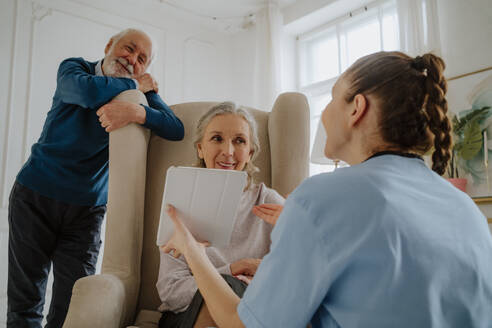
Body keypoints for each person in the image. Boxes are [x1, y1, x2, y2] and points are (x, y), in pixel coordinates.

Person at [161, 51, 492, 327]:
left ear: (356, 108)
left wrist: (191, 249)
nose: (324, 114)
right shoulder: (464, 207)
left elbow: (243, 324)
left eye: (332, 98)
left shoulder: (317, 199)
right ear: (200, 147)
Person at [7, 28, 184, 327]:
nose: (132, 60)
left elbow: (175, 128)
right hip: (34, 197)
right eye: (128, 49)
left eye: (142, 59)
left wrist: (140, 111)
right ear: (109, 45)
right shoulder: (74, 68)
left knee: (72, 304)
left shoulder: (134, 97)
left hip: (86, 213)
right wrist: (135, 85)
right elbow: (87, 93)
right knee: (25, 303)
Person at [156, 102, 285, 328]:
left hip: (251, 309)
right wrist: (234, 269)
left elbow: (294, 277)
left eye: (239, 141)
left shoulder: (269, 202)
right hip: (187, 315)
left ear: (250, 152)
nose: (228, 151)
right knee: (232, 289)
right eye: (217, 139)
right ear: (200, 148)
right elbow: (171, 291)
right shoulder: (179, 205)